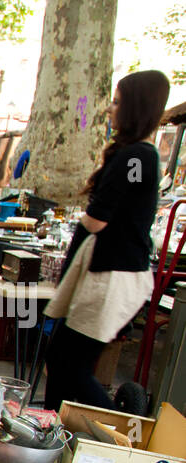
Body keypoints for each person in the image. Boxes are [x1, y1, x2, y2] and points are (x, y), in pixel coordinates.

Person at [43, 70, 170, 411]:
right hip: (113, 271)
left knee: (70, 363)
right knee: (62, 358)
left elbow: (101, 217)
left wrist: (91, 217)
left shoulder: (136, 157)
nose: (110, 110)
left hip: (113, 274)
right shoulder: (140, 156)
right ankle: (51, 429)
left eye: (116, 102)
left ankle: (120, 432)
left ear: (134, 108)